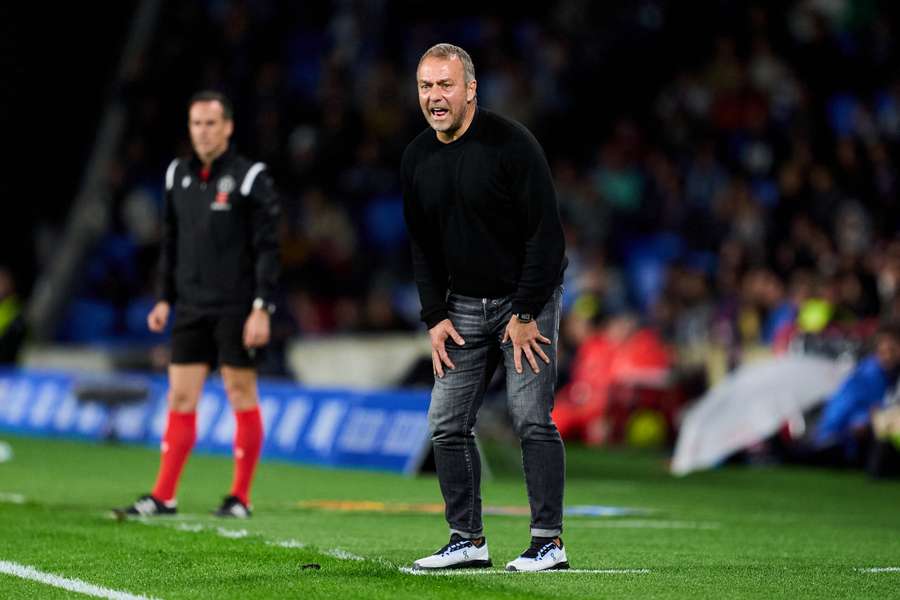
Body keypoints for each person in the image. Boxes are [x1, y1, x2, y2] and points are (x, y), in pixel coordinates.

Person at [402, 44, 569, 572]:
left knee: (530, 417)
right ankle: (467, 539)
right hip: (462, 308)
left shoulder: (512, 144)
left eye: (445, 86)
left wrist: (523, 313)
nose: (435, 97)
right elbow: (422, 248)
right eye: (427, 86)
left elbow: (548, 240)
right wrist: (434, 317)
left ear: (470, 89)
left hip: (526, 301)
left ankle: (548, 542)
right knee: (446, 422)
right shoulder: (416, 158)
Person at [115, 91, 280, 519]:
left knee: (240, 393)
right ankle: (164, 495)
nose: (203, 132)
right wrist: (164, 298)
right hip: (190, 306)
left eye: (211, 123)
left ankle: (240, 497)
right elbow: (172, 242)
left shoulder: (249, 177)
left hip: (235, 307)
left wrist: (262, 307)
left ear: (228, 127)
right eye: (196, 124)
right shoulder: (177, 175)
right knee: (180, 397)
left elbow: (268, 248)